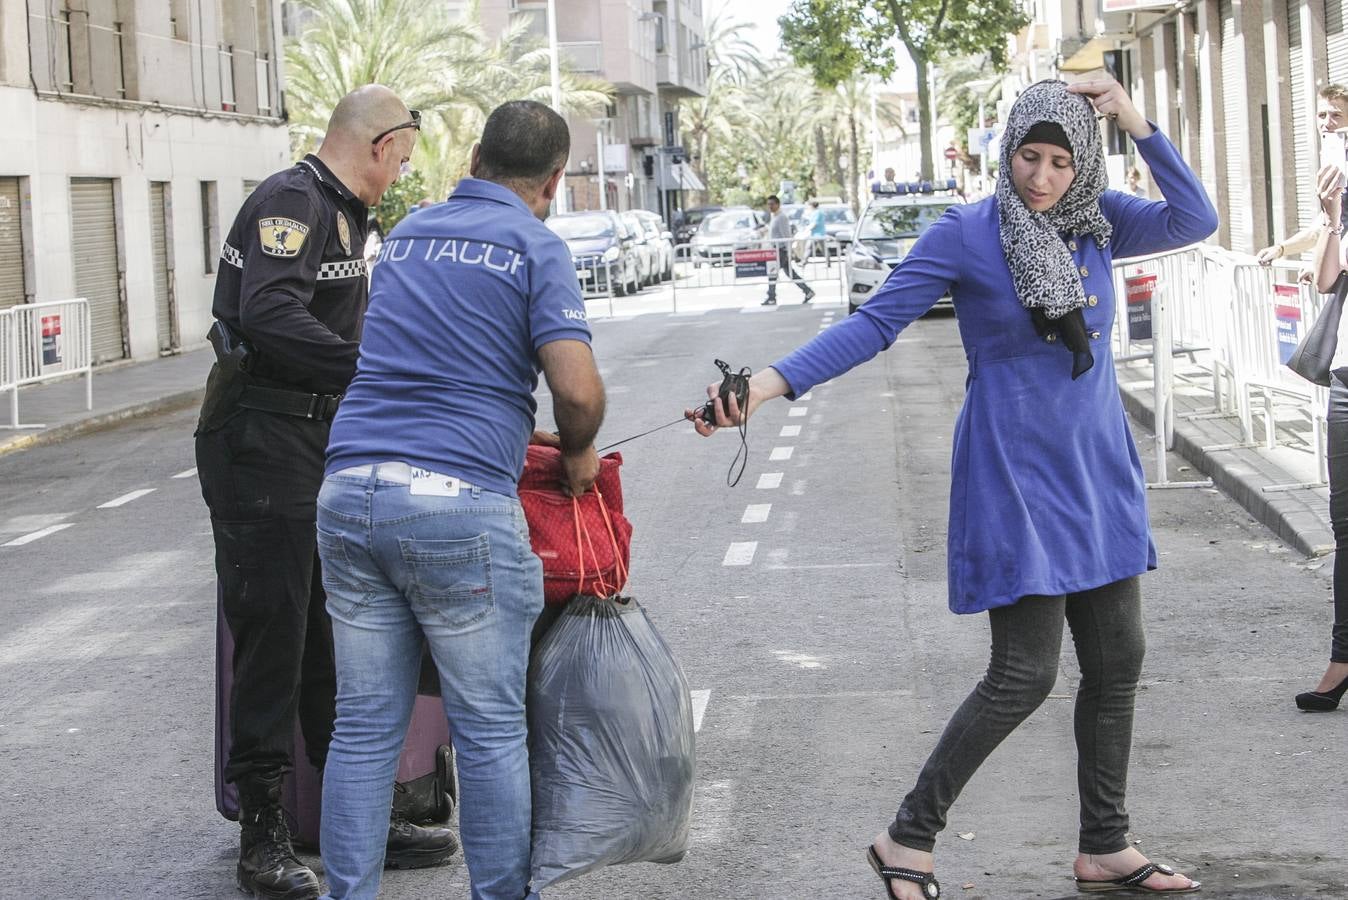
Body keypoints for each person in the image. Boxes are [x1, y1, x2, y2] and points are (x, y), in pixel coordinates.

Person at [691, 77, 1215, 898]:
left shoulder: (1100, 223)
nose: (1040, 176)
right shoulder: (968, 233)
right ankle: (907, 836)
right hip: (1014, 469)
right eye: (1027, 156)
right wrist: (767, 384)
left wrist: (1138, 120)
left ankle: (1105, 844)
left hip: (1096, 467)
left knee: (1119, 660)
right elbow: (875, 323)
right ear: (1006, 154)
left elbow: (1195, 218)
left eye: (1058, 160)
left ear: (1081, 166)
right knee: (1025, 673)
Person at [315, 99, 606, 900]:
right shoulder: (535, 246)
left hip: (349, 494)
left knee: (365, 728)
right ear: (551, 181)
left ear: (473, 159)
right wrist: (576, 449)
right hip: (455, 506)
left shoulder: (405, 235)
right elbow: (575, 390)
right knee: (487, 734)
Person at [195, 85, 457, 900]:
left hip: (312, 438)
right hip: (259, 438)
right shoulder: (292, 200)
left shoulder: (346, 213)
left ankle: (356, 816)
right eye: (403, 161)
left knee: (324, 633)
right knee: (274, 635)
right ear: (381, 145)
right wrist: (372, 373)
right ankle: (263, 834)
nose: (399, 176)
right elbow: (269, 312)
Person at [1303, 157, 1348, 713]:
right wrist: (1332, 220)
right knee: (1346, 530)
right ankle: (1342, 658)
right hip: (1345, 386)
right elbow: (1325, 281)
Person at [1258, 84, 1348, 273]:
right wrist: (1281, 249)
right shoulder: (1336, 162)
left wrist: (1327, 266)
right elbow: (1324, 225)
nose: (1327, 123)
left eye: (1336, 115)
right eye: (1321, 115)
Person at [762, 194, 815, 306]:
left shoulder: (782, 217)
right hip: (775, 249)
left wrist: (788, 251)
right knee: (790, 273)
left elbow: (786, 235)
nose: (770, 207)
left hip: (781, 250)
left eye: (772, 204)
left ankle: (771, 296)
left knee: (773, 273)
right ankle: (807, 290)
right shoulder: (774, 217)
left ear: (777, 204)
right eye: (768, 205)